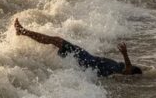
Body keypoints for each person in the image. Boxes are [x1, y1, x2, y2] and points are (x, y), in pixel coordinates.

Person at [14, 18, 142, 76]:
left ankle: (23, 31)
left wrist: (125, 54)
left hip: (85, 59)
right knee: (54, 43)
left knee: (55, 40)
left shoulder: (121, 71)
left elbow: (128, 70)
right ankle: (24, 36)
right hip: (86, 59)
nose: (128, 67)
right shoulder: (117, 69)